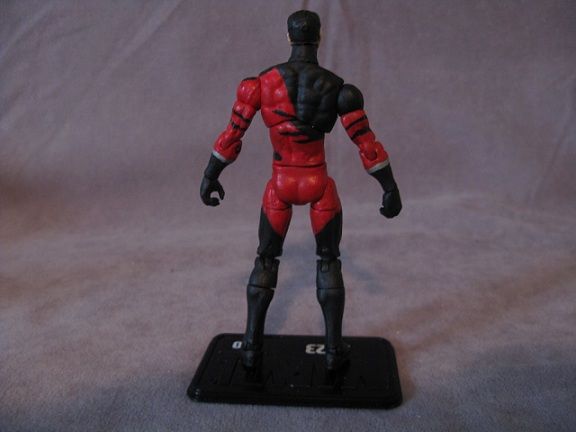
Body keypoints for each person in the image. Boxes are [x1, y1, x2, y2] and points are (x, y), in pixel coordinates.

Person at [200, 10, 402, 371]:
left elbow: (232, 134)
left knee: (265, 260)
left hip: (280, 184)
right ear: (319, 38)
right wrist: (389, 188)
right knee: (329, 261)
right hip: (317, 183)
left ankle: (251, 348)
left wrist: (210, 175)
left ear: (289, 37)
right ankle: (333, 351)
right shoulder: (339, 89)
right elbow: (366, 145)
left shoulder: (259, 85)